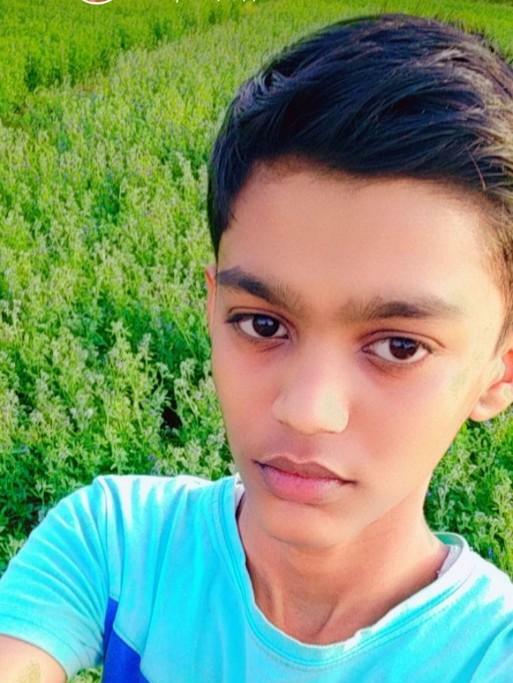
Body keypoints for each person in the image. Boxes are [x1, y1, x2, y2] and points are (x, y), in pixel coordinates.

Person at [1, 11, 513, 682]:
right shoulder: (114, 544)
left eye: (397, 346)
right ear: (214, 309)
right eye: (263, 325)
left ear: (500, 371)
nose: (307, 410)